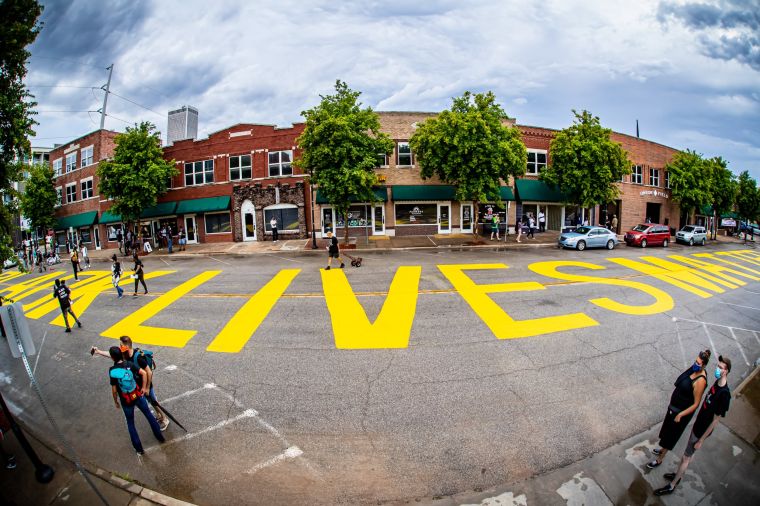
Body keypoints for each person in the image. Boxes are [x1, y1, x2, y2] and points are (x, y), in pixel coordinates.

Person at [654, 356, 732, 496]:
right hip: (697, 425)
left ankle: (672, 485)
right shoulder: (717, 384)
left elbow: (716, 420)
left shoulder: (724, 394)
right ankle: (678, 474)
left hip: (701, 430)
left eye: (721, 368)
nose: (717, 369)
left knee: (686, 457)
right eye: (718, 366)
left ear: (726, 371)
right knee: (688, 456)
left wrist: (701, 439)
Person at [647, 349, 711, 469]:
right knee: (666, 432)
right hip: (674, 408)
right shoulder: (693, 370)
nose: (695, 364)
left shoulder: (700, 381)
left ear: (704, 365)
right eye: (695, 361)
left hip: (680, 414)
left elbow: (696, 404)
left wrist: (680, 415)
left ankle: (660, 459)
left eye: (698, 363)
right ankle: (662, 449)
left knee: (671, 436)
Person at [106, 346, 164, 455]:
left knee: (130, 423)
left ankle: (139, 449)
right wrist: (143, 388)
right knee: (149, 415)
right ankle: (160, 437)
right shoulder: (129, 364)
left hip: (126, 400)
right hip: (137, 395)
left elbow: (114, 390)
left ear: (113, 358)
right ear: (121, 354)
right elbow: (144, 373)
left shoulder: (112, 370)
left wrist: (116, 401)